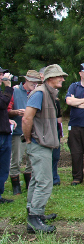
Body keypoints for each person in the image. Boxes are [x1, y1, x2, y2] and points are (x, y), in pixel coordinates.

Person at [22, 64, 68, 233]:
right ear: (50, 78)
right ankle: (35, 219)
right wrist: (28, 138)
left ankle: (33, 211)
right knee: (45, 182)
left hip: (43, 143)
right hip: (39, 144)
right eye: (59, 76)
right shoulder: (39, 94)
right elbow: (27, 119)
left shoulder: (49, 94)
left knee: (36, 179)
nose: (62, 79)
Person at [8, 70, 40, 194]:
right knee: (16, 159)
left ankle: (29, 184)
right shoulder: (14, 91)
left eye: (37, 82)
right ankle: (16, 185)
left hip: (33, 131)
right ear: (26, 80)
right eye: (32, 81)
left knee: (31, 159)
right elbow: (7, 110)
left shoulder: (37, 93)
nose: (35, 84)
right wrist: (16, 112)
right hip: (18, 131)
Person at [0, 67, 16, 204]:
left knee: (4, 167)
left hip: (4, 132)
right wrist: (8, 87)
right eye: (0, 75)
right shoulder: (4, 91)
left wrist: (7, 119)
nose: (3, 77)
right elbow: (2, 103)